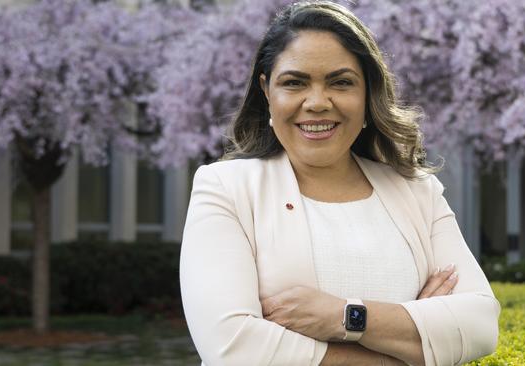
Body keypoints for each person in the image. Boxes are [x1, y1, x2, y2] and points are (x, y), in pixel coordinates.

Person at [179, 1, 500, 365]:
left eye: (341, 82)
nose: (317, 102)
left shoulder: (417, 192)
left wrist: (343, 316)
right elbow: (232, 346)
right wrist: (411, 338)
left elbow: (479, 325)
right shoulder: (226, 188)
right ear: (267, 91)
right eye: (295, 82)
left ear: (367, 94)